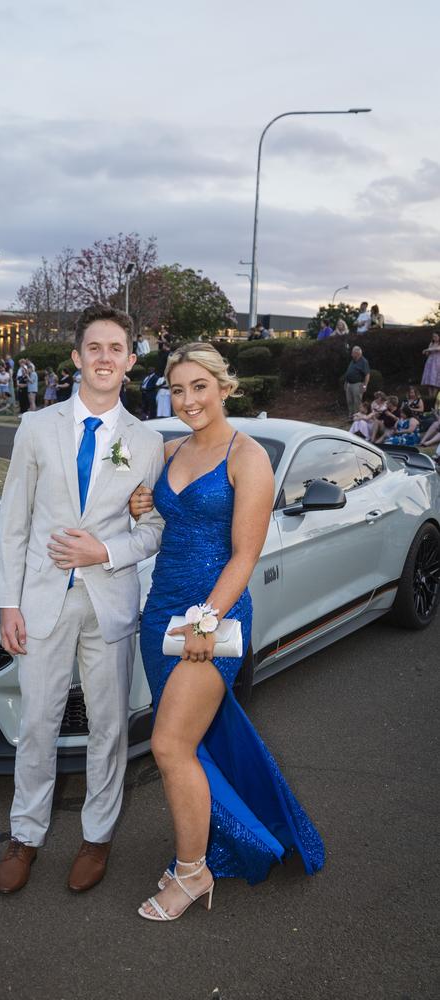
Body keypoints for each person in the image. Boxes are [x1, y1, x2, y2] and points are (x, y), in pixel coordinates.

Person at [129, 342, 324, 922]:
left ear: (224, 387)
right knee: (191, 742)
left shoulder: (248, 458)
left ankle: (192, 873)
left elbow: (244, 555)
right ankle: (225, 836)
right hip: (160, 611)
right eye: (178, 389)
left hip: (214, 616)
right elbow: (162, 515)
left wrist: (205, 620)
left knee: (168, 745)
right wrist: (144, 501)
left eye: (199, 387)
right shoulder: (170, 450)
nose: (188, 400)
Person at [0, 303, 165, 896]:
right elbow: (13, 523)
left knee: (109, 726)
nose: (105, 358)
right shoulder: (35, 428)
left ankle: (97, 835)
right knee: (36, 723)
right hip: (41, 601)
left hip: (109, 603)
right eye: (95, 348)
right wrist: (7, 603)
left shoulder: (146, 443)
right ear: (76, 357)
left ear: (130, 362)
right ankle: (26, 834)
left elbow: (153, 530)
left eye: (116, 349)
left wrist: (105, 553)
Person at [343, 346, 370, 419]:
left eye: (353, 353)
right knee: (349, 401)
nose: (351, 354)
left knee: (357, 401)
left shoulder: (364, 362)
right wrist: (346, 382)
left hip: (357, 384)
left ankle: (357, 417)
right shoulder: (353, 361)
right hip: (349, 383)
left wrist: (365, 386)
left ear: (357, 354)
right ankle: (351, 416)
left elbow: (367, 374)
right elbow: (349, 372)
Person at [421, 332, 440, 404]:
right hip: (430, 363)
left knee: (435, 380)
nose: (434, 338)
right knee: (429, 380)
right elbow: (428, 353)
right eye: (433, 336)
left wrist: (427, 350)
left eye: (436, 336)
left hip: (437, 364)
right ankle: (430, 397)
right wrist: (426, 352)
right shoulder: (431, 344)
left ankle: (434, 398)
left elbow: (438, 349)